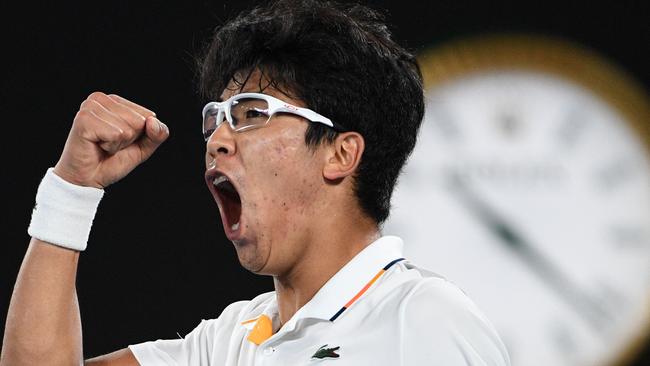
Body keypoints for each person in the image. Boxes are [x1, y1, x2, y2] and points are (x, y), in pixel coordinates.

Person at [1, 0, 510, 365]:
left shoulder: (424, 322)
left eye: (250, 114)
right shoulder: (226, 343)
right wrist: (71, 191)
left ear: (340, 152)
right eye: (215, 117)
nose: (217, 139)